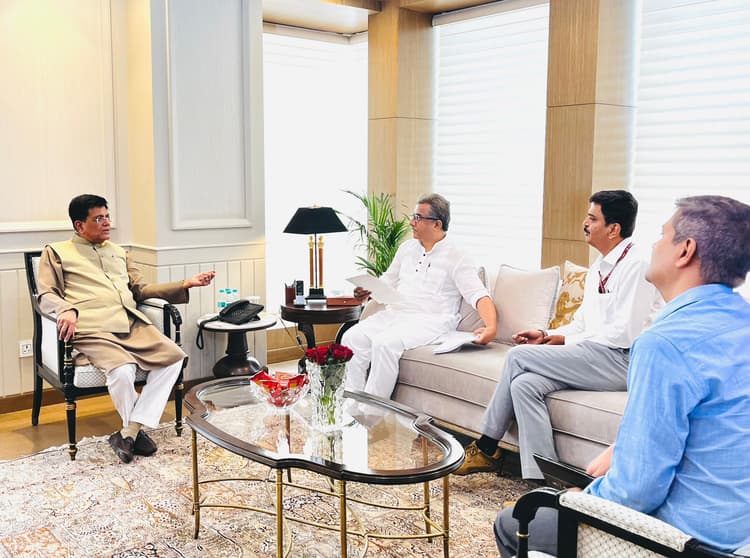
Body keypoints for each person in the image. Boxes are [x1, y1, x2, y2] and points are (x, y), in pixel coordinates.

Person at [495, 195, 750, 557]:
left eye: (663, 235)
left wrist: (581, 499)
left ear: (685, 251)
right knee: (527, 384)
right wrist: (622, 449)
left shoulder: (665, 343)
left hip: (684, 540)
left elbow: (636, 491)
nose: (654, 244)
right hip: (738, 533)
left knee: (516, 521)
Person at [455, 190, 660, 480]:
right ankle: (543, 480)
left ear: (613, 229)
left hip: (623, 360)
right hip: (597, 354)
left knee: (517, 356)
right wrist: (547, 334)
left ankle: (487, 447)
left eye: (592, 219)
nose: (585, 223)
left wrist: (568, 344)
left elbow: (624, 334)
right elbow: (582, 323)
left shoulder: (637, 265)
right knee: (524, 385)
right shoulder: (599, 267)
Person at [37, 194, 216, 464]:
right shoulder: (56, 252)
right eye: (99, 218)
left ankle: (129, 432)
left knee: (174, 360)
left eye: (107, 216)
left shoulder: (120, 252)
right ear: (79, 225)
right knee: (122, 371)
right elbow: (46, 293)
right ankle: (133, 432)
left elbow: (141, 290)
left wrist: (185, 284)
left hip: (130, 324)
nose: (107, 223)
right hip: (92, 329)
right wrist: (66, 309)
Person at [343, 193, 497, 398]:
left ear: (437, 224)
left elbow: (478, 294)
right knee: (351, 337)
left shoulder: (457, 255)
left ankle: (372, 411)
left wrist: (491, 328)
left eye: (418, 217)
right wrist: (367, 291)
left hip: (431, 320)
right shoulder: (406, 249)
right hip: (397, 314)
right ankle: (353, 404)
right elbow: (387, 280)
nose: (411, 222)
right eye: (413, 216)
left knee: (384, 344)